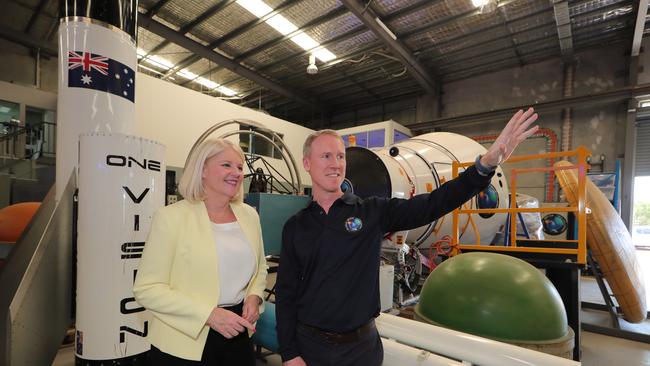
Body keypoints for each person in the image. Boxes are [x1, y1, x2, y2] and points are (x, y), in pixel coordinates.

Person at [275, 108, 539, 366]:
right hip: (311, 349)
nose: (335, 164)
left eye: (340, 156)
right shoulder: (295, 227)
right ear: (307, 163)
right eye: (326, 156)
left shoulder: (371, 211)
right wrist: (289, 353)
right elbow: (286, 295)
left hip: (360, 350)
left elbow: (433, 203)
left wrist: (484, 166)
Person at [133, 138, 268, 365]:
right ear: (202, 169)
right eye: (226, 165)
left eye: (239, 167)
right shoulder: (170, 218)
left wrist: (254, 297)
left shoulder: (249, 216)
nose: (236, 172)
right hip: (183, 340)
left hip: (237, 334)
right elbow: (147, 288)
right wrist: (208, 315)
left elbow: (261, 267)